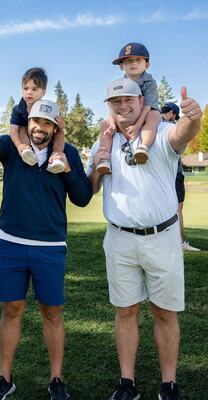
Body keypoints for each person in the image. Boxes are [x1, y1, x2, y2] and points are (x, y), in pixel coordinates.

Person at [0, 85, 92, 400]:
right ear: (28, 123)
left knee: (52, 311)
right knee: (11, 309)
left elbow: (81, 197)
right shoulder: (12, 147)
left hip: (50, 247)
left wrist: (66, 170)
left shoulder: (68, 153)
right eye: (35, 122)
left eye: (47, 124)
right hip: (10, 242)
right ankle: (5, 378)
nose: (39, 128)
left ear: (55, 127)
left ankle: (56, 381)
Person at [87, 78, 202, 400]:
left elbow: (184, 134)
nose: (123, 106)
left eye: (129, 100)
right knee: (125, 311)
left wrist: (194, 118)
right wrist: (97, 163)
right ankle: (127, 383)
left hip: (161, 237)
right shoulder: (103, 141)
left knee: (165, 312)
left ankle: (169, 384)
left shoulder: (162, 132)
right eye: (115, 102)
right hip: (120, 238)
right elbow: (93, 186)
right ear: (109, 106)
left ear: (141, 101)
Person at [96, 42, 161, 174]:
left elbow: (148, 106)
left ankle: (143, 147)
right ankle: (104, 158)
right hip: (126, 116)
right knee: (106, 124)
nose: (133, 64)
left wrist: (137, 126)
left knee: (154, 116)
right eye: (128, 61)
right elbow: (113, 107)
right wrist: (113, 124)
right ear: (121, 66)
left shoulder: (150, 82)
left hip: (145, 114)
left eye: (138, 60)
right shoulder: (119, 84)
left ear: (147, 65)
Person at [10, 67, 65, 173]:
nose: (29, 92)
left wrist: (62, 126)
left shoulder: (48, 108)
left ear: (43, 92)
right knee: (22, 128)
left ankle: (56, 156)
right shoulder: (18, 109)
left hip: (45, 135)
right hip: (27, 136)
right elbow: (13, 130)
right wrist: (19, 145)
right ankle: (27, 152)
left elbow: (59, 125)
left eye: (34, 89)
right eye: (26, 88)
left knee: (60, 132)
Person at [161, 102, 200, 252]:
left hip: (174, 176)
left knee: (176, 209)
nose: (162, 113)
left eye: (165, 111)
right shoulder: (165, 127)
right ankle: (179, 242)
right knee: (174, 209)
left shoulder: (172, 128)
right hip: (170, 175)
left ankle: (178, 242)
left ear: (173, 114)